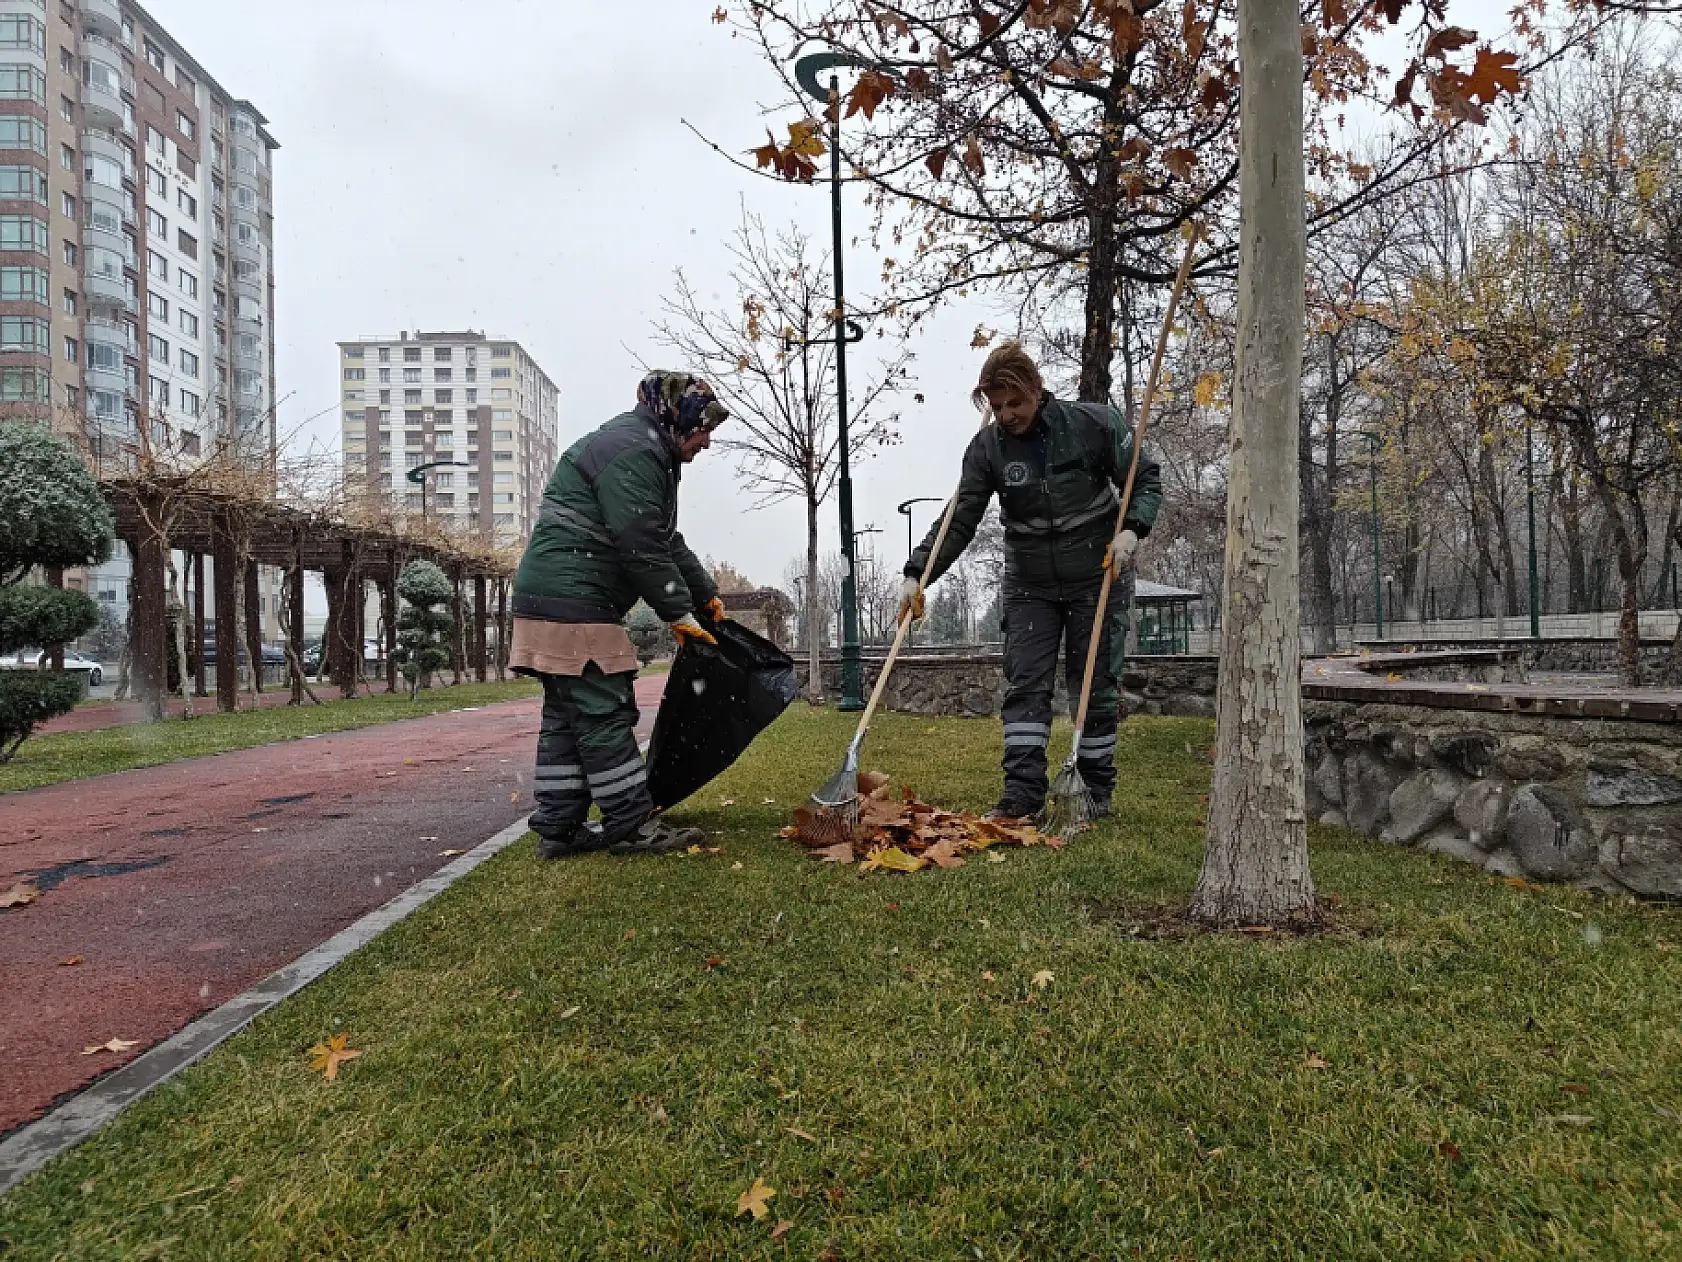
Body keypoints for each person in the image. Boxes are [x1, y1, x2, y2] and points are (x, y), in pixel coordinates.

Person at [901, 342, 1163, 820]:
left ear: (1037, 389)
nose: (1006, 415)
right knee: (1026, 684)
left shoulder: (1093, 425)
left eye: (1014, 403)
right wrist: (918, 573)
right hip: (1029, 584)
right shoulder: (987, 449)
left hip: (1097, 574)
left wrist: (1131, 530)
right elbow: (959, 519)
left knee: (1095, 685)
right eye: (997, 406)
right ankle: (1022, 795)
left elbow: (1144, 480)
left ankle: (1093, 790)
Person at [509, 371, 728, 859]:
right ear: (678, 417)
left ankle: (559, 828)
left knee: (568, 717)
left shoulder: (642, 446)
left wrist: (705, 595)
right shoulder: (636, 452)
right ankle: (631, 826)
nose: (707, 442)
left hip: (552, 598)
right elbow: (642, 545)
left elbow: (664, 537)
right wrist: (678, 612)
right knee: (604, 712)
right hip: (574, 602)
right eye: (703, 429)